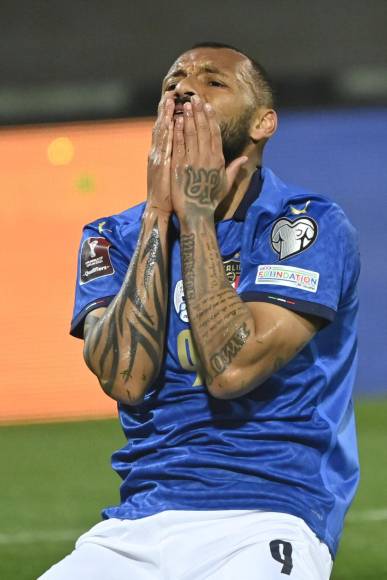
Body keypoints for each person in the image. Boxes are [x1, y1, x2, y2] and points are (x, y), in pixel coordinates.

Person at [40, 42, 360, 580]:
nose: (184, 88)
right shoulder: (110, 238)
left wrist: (195, 218)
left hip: (268, 515)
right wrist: (156, 218)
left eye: (213, 82)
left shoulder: (305, 226)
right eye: (173, 83)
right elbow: (124, 378)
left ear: (264, 123)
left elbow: (232, 370)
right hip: (136, 524)